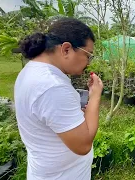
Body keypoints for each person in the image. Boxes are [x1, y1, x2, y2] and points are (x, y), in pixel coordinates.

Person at [14, 17, 103, 179]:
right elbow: (83, 145)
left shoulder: (32, 71)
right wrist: (95, 96)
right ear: (66, 49)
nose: (89, 62)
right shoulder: (53, 86)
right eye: (88, 55)